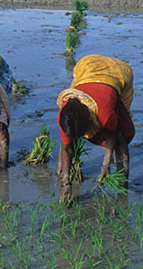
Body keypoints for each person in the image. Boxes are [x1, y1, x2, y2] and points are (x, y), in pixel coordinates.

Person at [56, 54, 135, 191]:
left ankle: (123, 186)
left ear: (89, 121)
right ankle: (61, 169)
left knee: (122, 136)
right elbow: (67, 146)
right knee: (67, 140)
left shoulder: (104, 114)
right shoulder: (66, 112)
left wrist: (105, 164)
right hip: (86, 67)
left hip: (117, 73)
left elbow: (112, 133)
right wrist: (66, 181)